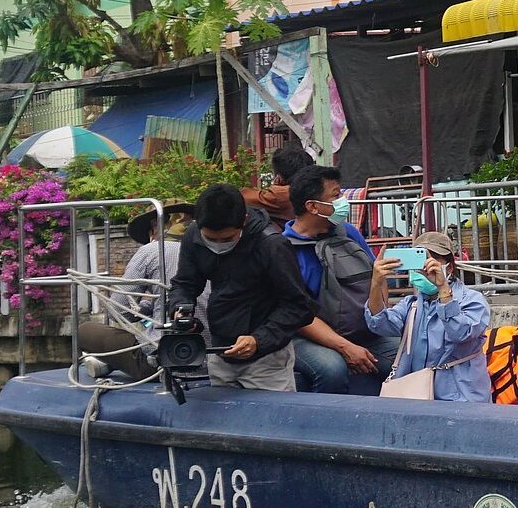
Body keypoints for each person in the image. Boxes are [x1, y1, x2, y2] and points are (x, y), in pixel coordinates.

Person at [169, 184, 317, 392]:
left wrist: (259, 340)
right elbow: (185, 283)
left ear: (244, 221)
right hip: (220, 354)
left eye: (227, 239)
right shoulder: (194, 237)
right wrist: (180, 308)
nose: (218, 245)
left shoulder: (271, 245)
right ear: (198, 225)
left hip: (267, 362)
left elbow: (300, 306)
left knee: (269, 422)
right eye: (210, 239)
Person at [284, 165, 399, 395]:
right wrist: (345, 347)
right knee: (331, 368)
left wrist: (382, 318)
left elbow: (376, 277)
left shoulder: (348, 233)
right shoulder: (285, 249)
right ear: (313, 206)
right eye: (336, 195)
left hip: (366, 333)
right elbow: (298, 315)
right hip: (307, 338)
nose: (343, 201)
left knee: (413, 353)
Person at [364, 230, 494, 402]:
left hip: (464, 398)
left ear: (450, 266)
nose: (426, 267)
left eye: (433, 260)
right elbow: (378, 324)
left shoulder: (473, 300)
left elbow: (461, 333)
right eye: (420, 260)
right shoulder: (411, 304)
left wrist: (443, 290)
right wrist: (376, 283)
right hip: (418, 396)